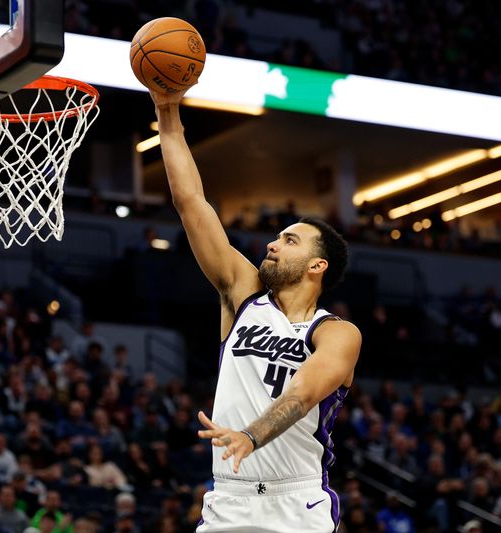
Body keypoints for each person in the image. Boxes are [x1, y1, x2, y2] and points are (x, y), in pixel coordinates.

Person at [150, 88, 361, 532]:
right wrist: (167, 110)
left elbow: (303, 395)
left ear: (317, 265)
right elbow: (191, 203)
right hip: (229, 496)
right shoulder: (242, 294)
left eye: (290, 241)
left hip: (296, 502)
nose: (272, 243)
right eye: (277, 236)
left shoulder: (337, 333)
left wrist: (250, 435)